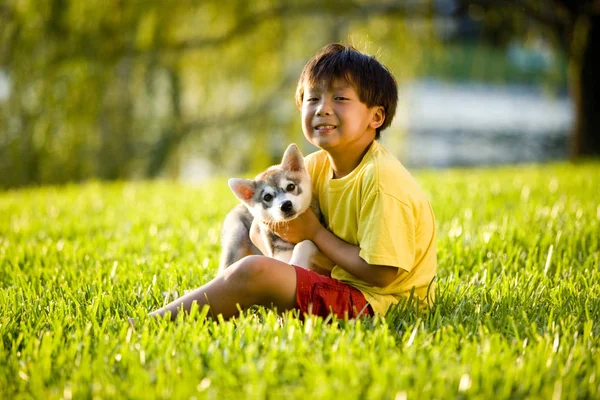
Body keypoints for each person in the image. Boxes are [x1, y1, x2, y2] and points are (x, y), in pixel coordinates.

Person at [148, 43, 437, 321]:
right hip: (336, 281)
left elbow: (382, 273)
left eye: (340, 98)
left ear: (375, 116)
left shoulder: (380, 180)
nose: (322, 108)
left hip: (375, 304)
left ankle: (152, 323)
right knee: (242, 223)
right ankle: (224, 292)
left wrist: (313, 233)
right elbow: (263, 217)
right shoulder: (313, 168)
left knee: (253, 271)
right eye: (313, 98)